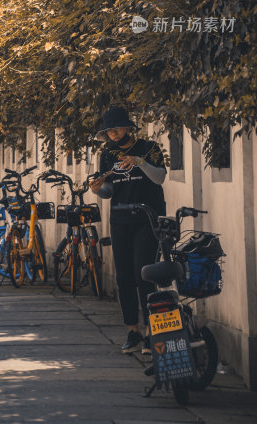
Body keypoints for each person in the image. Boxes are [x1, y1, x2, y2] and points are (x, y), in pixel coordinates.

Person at [90, 105, 166, 355]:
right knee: (124, 277)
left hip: (147, 217)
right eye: (109, 131)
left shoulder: (148, 148)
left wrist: (140, 162)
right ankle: (132, 330)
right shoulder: (108, 154)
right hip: (120, 218)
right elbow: (110, 191)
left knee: (143, 272)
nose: (113, 134)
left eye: (117, 129)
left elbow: (159, 178)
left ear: (128, 127)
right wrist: (98, 189)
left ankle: (150, 332)